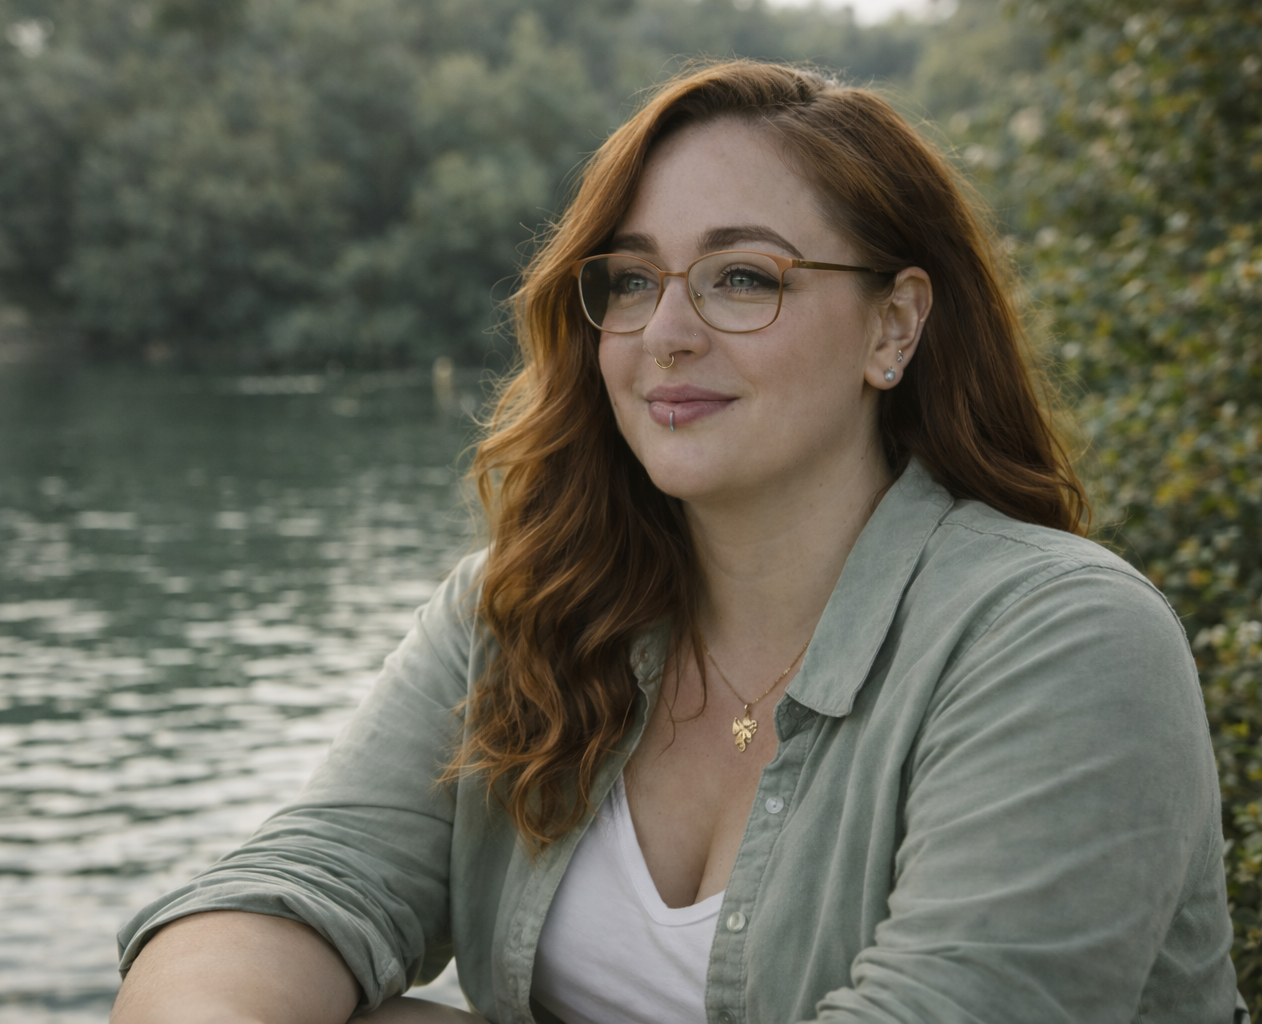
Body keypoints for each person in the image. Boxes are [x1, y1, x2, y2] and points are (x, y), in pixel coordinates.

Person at [109, 61, 1245, 1024]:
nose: (668, 333)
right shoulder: (528, 609)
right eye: (634, 281)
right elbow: (281, 898)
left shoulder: (1066, 643)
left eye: (744, 277)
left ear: (894, 326)